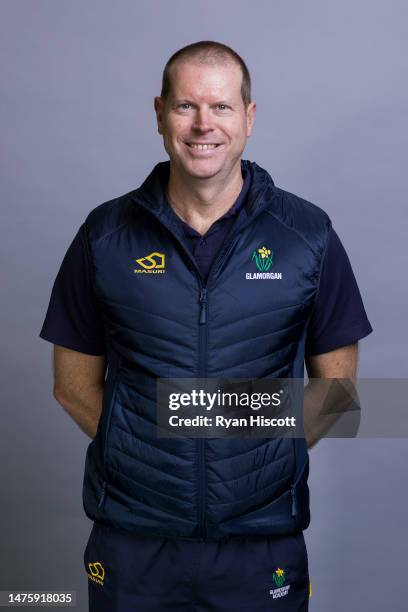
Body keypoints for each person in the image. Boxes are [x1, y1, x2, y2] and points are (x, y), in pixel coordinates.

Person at [39, 41, 373, 611]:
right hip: (132, 541)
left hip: (261, 541)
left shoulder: (307, 234)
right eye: (185, 106)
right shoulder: (104, 235)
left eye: (220, 107)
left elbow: (335, 388)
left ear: (249, 117)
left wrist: (259, 451)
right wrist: (142, 449)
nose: (202, 126)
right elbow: (72, 386)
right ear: (159, 114)